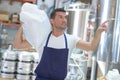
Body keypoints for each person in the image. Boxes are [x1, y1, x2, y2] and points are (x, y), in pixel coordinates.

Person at [15, 8, 108, 80]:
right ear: (52, 21)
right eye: (60, 17)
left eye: (65, 17)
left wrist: (98, 33)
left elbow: (91, 47)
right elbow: (17, 45)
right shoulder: (42, 38)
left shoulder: (71, 39)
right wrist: (23, 25)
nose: (64, 20)